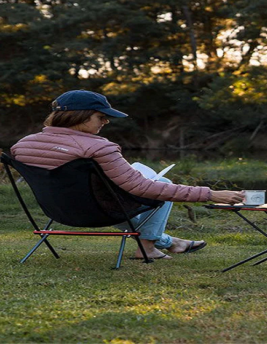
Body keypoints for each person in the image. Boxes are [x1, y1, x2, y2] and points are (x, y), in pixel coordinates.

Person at [11, 90, 245, 260]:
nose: (106, 121)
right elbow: (146, 190)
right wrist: (211, 194)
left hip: (57, 211)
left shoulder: (22, 146)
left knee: (124, 193)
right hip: (100, 213)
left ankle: (171, 242)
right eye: (100, 116)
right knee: (159, 183)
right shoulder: (99, 147)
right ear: (80, 116)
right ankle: (148, 247)